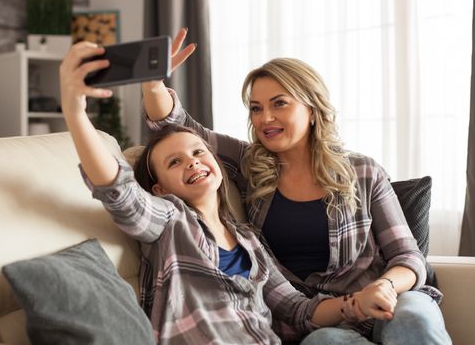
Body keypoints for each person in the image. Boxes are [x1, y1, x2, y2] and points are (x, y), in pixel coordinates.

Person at [58, 40, 396, 344]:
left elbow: (297, 309)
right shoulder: (169, 221)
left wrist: (357, 302)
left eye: (198, 153)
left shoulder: (251, 242)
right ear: (159, 189)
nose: (192, 162)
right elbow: (119, 190)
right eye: (175, 162)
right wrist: (77, 111)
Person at [141, 28, 451, 344]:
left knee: (413, 318)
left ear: (312, 109)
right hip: (319, 319)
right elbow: (180, 129)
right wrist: (153, 86)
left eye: (279, 104)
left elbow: (408, 257)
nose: (265, 118)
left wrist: (384, 287)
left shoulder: (363, 171)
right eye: (256, 108)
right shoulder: (248, 163)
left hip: (390, 299)